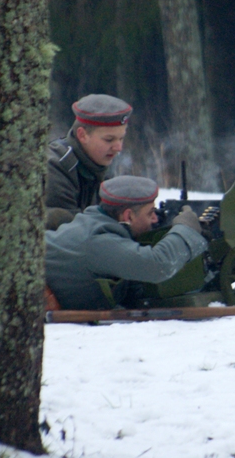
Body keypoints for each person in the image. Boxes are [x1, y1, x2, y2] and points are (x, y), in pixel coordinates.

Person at [45, 176, 207, 310]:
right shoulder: (100, 241)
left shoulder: (94, 224)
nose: (155, 219)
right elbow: (158, 265)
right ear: (128, 216)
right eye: (150, 213)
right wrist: (186, 229)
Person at [46, 94, 132, 230]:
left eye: (121, 139)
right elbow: (71, 233)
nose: (118, 148)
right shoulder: (56, 167)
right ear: (82, 135)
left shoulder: (99, 162)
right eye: (109, 140)